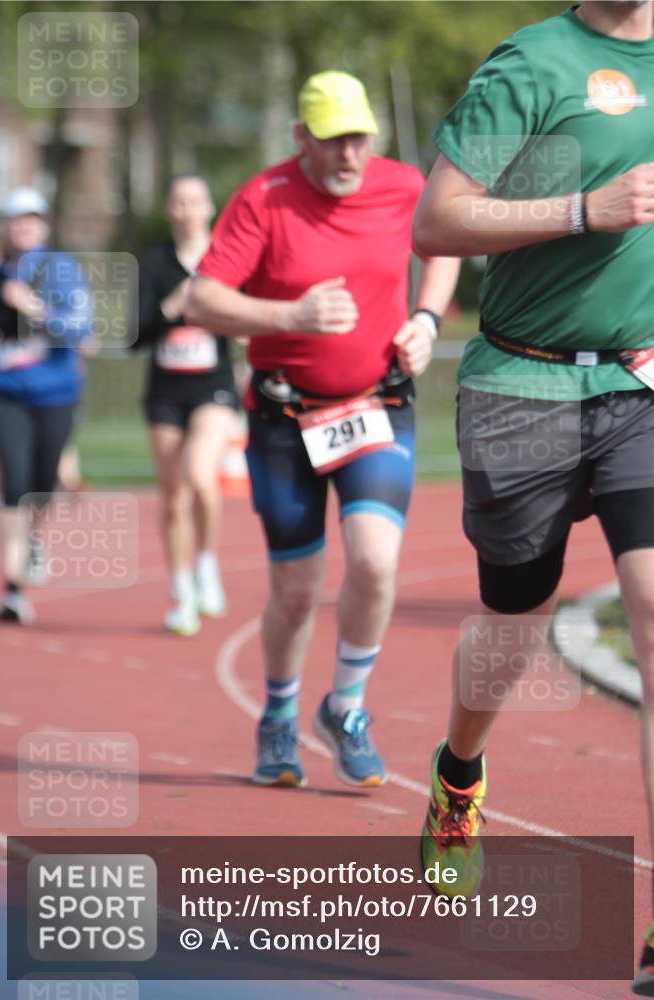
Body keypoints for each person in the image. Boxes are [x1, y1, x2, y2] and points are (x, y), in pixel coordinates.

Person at [411, 2, 654, 993]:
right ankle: (458, 772)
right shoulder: (535, 63)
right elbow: (439, 219)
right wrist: (581, 208)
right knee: (516, 616)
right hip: (523, 381)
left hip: (637, 384)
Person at [186, 70, 460, 788]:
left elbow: (445, 242)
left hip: (376, 405)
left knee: (374, 559)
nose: (348, 154)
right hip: (283, 416)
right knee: (298, 589)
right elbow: (203, 299)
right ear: (300, 136)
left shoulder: (402, 185)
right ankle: (277, 714)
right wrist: (287, 317)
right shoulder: (264, 198)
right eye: (332, 139)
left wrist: (426, 319)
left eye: (358, 137)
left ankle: (345, 706)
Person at [135, 175, 239, 636]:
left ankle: (207, 564)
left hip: (213, 386)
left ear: (209, 207)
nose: (187, 210)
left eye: (195, 201)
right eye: (178, 202)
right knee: (173, 496)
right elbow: (134, 334)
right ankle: (181, 592)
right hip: (165, 391)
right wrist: (172, 307)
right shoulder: (153, 263)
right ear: (168, 210)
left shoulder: (227, 256)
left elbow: (244, 314)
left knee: (201, 475)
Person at [0, 186, 92, 623]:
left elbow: (81, 331)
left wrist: (33, 307)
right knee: (13, 483)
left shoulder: (61, 270)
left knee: (42, 486)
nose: (23, 227)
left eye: (31, 219)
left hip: (56, 393)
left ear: (43, 225)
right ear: (5, 227)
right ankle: (12, 589)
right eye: (16, 219)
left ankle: (31, 539)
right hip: (8, 393)